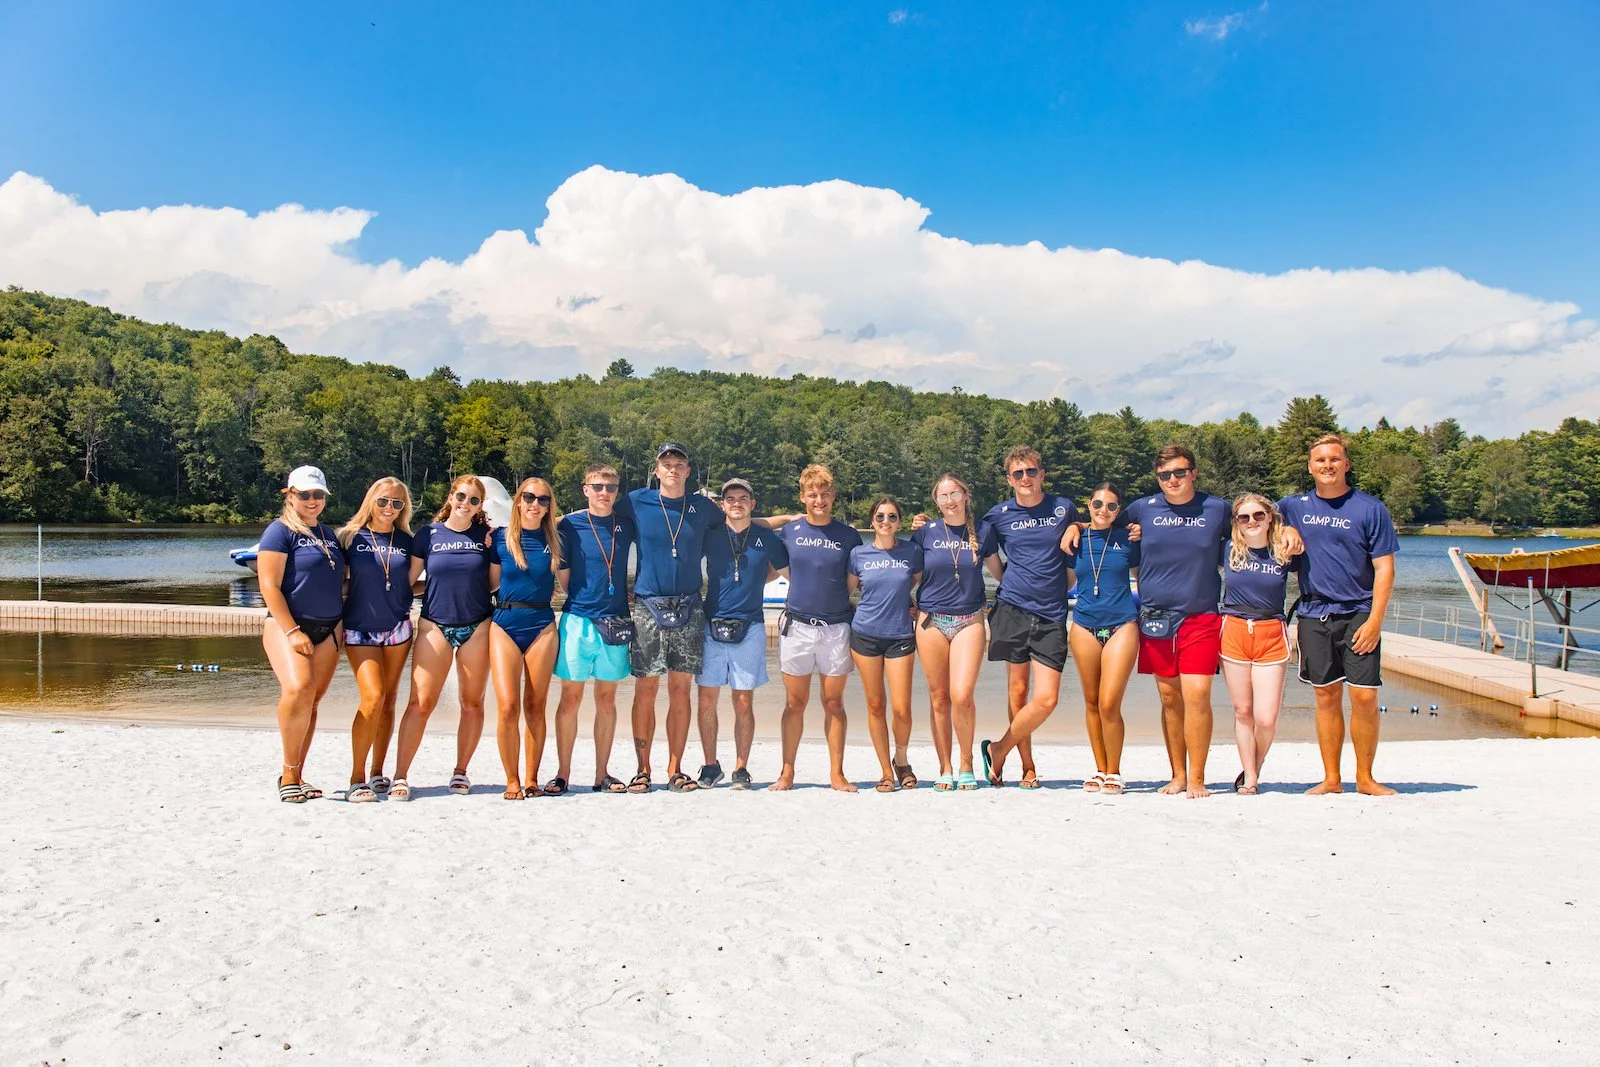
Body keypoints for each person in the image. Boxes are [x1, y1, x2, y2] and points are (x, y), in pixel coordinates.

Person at [1278, 433, 1399, 796]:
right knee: (1326, 696)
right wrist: (1283, 528)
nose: (1327, 466)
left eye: (1334, 459)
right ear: (1310, 466)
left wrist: (1376, 621)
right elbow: (1256, 522)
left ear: (1346, 464)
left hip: (1359, 613)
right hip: (1315, 614)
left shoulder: (1370, 508)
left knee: (1364, 696)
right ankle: (1332, 779)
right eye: (1320, 460)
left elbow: (1385, 569)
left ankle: (1365, 778)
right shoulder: (1292, 506)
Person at [1123, 445, 1233, 798]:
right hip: (1155, 615)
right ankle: (1178, 774)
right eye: (1165, 475)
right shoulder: (1143, 509)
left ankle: (1198, 779)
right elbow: (1104, 523)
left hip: (1201, 614)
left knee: (1198, 694)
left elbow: (1256, 528)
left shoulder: (1217, 509)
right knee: (1170, 698)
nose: (1172, 480)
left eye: (1179, 472)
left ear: (1194, 472)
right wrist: (1073, 529)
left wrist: (1287, 532)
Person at [979, 447, 1079, 789]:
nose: (1026, 478)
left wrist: (1077, 524)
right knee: (1018, 692)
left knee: (1047, 698)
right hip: (1012, 608)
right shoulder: (998, 514)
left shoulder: (1063, 508)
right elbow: (987, 551)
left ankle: (998, 748)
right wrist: (1003, 578)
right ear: (1009, 479)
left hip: (1052, 612)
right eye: (1018, 474)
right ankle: (1027, 765)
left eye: (1031, 472)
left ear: (1042, 474)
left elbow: (1083, 535)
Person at [389, 476, 494, 801]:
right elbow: (410, 582)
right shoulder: (428, 535)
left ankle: (461, 771)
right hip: (435, 625)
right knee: (420, 703)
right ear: (451, 496)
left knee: (472, 703)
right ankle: (400, 775)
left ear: (480, 506)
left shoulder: (486, 538)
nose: (466, 503)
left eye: (474, 500)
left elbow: (492, 584)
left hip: (477, 625)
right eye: (461, 496)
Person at [772, 464, 863, 791]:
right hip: (797, 628)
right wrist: (782, 519)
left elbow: (853, 583)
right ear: (803, 497)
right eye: (813, 494)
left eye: (825, 494)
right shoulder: (790, 533)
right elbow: (771, 568)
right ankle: (787, 772)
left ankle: (836, 774)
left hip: (836, 628)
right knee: (794, 704)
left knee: (833, 703)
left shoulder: (849, 535)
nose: (820, 500)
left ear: (833, 496)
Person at [909, 474, 1002, 791]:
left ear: (966, 494)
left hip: (970, 619)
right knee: (939, 699)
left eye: (954, 493)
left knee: (961, 696)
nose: (949, 500)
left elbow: (1000, 573)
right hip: (930, 621)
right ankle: (945, 766)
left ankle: (966, 764)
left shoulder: (984, 532)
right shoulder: (925, 532)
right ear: (936, 501)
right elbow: (911, 575)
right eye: (942, 495)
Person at [258, 465, 346, 803]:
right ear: (289, 495)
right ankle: (289, 773)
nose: (312, 500)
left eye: (318, 495)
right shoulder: (279, 532)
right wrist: (292, 630)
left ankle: (298, 772)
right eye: (304, 494)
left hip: (329, 629)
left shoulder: (329, 535)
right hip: (288, 625)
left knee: (312, 701)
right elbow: (268, 585)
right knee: (298, 689)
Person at [695, 477, 788, 790]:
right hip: (711, 623)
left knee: (743, 701)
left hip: (751, 626)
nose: (736, 502)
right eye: (730, 498)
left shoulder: (767, 538)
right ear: (722, 505)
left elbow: (785, 572)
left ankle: (740, 767)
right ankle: (710, 765)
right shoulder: (709, 535)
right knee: (706, 699)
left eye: (743, 498)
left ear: (753, 503)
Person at [550, 465, 636, 794]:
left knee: (607, 700)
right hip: (577, 621)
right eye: (597, 486)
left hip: (615, 621)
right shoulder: (569, 525)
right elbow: (565, 577)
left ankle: (602, 774)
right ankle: (562, 774)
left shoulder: (626, 525)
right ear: (585, 489)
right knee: (570, 700)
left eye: (611, 488)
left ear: (617, 491)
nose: (604, 492)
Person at [337, 477, 415, 801]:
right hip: (359, 628)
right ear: (371, 500)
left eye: (397, 503)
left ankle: (378, 772)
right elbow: (335, 583)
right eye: (383, 501)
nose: (389, 508)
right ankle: (357, 777)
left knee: (389, 700)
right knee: (373, 696)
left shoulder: (408, 541)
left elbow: (411, 582)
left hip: (398, 627)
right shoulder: (349, 538)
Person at [1220, 492, 1301, 795]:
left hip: (1271, 631)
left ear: (1270, 518)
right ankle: (1250, 778)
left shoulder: (1284, 550)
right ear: (1237, 523)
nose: (1251, 522)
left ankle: (1254, 762)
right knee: (1243, 710)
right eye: (1244, 517)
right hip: (1235, 629)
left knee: (1265, 718)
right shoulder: (1227, 549)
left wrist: (1291, 530)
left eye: (1258, 515)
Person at [488, 477, 563, 800]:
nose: (535, 504)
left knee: (535, 705)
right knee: (507, 707)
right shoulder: (500, 539)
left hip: (542, 624)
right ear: (518, 501)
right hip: (504, 622)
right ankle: (512, 779)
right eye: (529, 497)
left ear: (549, 506)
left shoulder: (557, 540)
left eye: (543, 500)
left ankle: (531, 778)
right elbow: (488, 584)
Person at [1066, 482, 1140, 796]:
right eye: (1097, 504)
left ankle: (1115, 771)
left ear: (1118, 510)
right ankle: (1100, 769)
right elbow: (1064, 578)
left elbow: (1148, 572)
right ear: (1089, 504)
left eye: (1111, 506)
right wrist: (1074, 525)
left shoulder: (1129, 538)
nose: (1103, 511)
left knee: (1110, 702)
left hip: (1122, 624)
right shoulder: (1075, 539)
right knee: (1093, 702)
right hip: (1083, 625)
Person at [848, 496, 924, 792]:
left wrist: (910, 603)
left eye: (892, 517)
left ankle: (901, 760)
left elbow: (914, 582)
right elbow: (848, 593)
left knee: (902, 708)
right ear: (872, 522)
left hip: (901, 635)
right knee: (876, 704)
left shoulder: (912, 552)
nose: (886, 522)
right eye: (880, 517)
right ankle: (885, 770)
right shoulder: (858, 554)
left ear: (899, 522)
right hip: (865, 634)